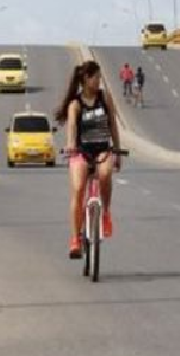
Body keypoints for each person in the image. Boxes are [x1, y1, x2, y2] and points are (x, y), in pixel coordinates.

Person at [55, 61, 121, 259]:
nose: (99, 81)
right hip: (82, 152)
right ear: (86, 78)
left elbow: (113, 125)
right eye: (96, 77)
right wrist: (70, 145)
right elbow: (72, 127)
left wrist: (116, 150)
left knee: (105, 173)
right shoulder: (75, 104)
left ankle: (106, 212)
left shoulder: (105, 98)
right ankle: (75, 238)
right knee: (78, 189)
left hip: (102, 149)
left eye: (100, 77)